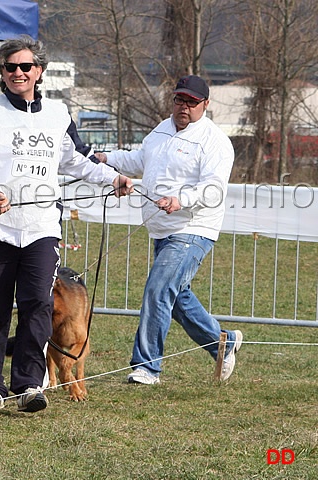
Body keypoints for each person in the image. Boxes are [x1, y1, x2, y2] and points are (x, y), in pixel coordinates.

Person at [0, 35, 133, 413]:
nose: (18, 72)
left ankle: (28, 385)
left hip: (41, 228)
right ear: (1, 72)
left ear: (39, 71)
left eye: (26, 66)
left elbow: (79, 160)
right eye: (11, 67)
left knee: (38, 303)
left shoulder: (58, 114)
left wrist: (113, 178)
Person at [98, 74, 241, 385]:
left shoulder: (215, 141)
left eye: (192, 102)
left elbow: (214, 188)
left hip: (192, 227)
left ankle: (146, 367)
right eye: (179, 99)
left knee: (158, 290)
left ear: (206, 104)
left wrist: (182, 200)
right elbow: (138, 160)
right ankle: (224, 342)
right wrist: (105, 157)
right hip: (161, 229)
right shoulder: (161, 130)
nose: (184, 106)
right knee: (174, 298)